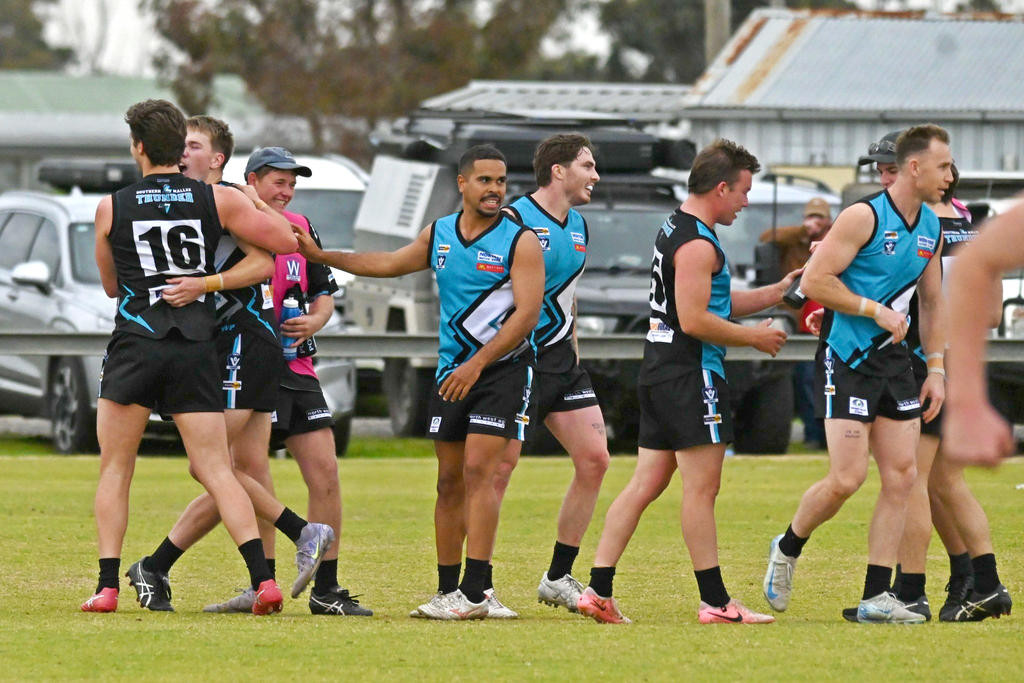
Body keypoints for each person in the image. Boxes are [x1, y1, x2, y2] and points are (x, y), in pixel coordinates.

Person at [293, 144, 544, 620]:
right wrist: (320, 255)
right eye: (485, 181)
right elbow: (387, 264)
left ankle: (476, 592)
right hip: (452, 373)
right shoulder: (441, 233)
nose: (495, 190)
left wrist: (479, 364)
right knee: (448, 482)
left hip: (502, 370)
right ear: (462, 184)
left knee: (479, 474)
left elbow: (527, 315)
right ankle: (449, 589)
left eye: (501, 181)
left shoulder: (520, 241)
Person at [81, 99, 297, 614]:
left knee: (116, 467)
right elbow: (286, 241)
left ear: (137, 147)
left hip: (137, 343)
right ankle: (263, 580)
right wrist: (251, 201)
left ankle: (108, 587)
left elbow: (112, 286)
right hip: (196, 345)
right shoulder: (214, 200)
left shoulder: (112, 206)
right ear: (181, 149)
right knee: (217, 469)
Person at [122, 123, 339, 614]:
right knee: (242, 470)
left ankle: (303, 531)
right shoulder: (185, 201)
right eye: (179, 146)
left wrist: (205, 284)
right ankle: (181, 569)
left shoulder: (224, 199)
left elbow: (271, 258)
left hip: (243, 339)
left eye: (192, 146)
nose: (181, 154)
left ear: (218, 159)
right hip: (224, 345)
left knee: (211, 466)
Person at [576, 139, 795, 625]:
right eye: (742, 192)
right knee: (702, 489)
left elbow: (709, 301)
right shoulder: (697, 242)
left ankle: (598, 590)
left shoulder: (677, 227)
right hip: (691, 375)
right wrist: (753, 340)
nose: (745, 202)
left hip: (660, 372)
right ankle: (716, 603)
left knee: (645, 483)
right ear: (721, 188)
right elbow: (696, 319)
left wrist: (777, 293)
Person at [762, 124, 950, 624]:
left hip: (895, 366)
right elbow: (817, 280)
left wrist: (936, 368)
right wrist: (873, 309)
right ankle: (787, 546)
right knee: (847, 478)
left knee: (903, 477)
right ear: (914, 168)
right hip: (846, 358)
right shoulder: (862, 215)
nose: (950, 176)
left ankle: (876, 597)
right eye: (943, 166)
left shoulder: (931, 225)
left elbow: (932, 302)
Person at [835, 162, 1011, 622]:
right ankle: (975, 581)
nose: (884, 179)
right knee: (939, 482)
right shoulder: (972, 231)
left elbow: (912, 302)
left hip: (925, 364)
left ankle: (913, 590)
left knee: (912, 479)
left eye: (891, 170)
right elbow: (991, 315)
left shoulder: (921, 232)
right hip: (959, 361)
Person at [498, 133, 610, 614]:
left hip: (562, 362)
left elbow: (569, 296)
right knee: (496, 472)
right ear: (558, 171)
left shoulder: (580, 224)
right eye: (587, 165)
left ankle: (558, 576)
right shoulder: (514, 220)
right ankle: (472, 582)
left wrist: (574, 349)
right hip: (517, 361)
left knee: (595, 459)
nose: (595, 175)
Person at [760, 197, 833, 449]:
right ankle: (813, 435)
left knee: (828, 382)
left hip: (828, 317)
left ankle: (828, 436)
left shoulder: (837, 239)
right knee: (805, 382)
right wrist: (803, 232)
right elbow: (767, 237)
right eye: (809, 217)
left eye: (819, 217)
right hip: (801, 320)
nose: (814, 222)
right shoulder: (795, 241)